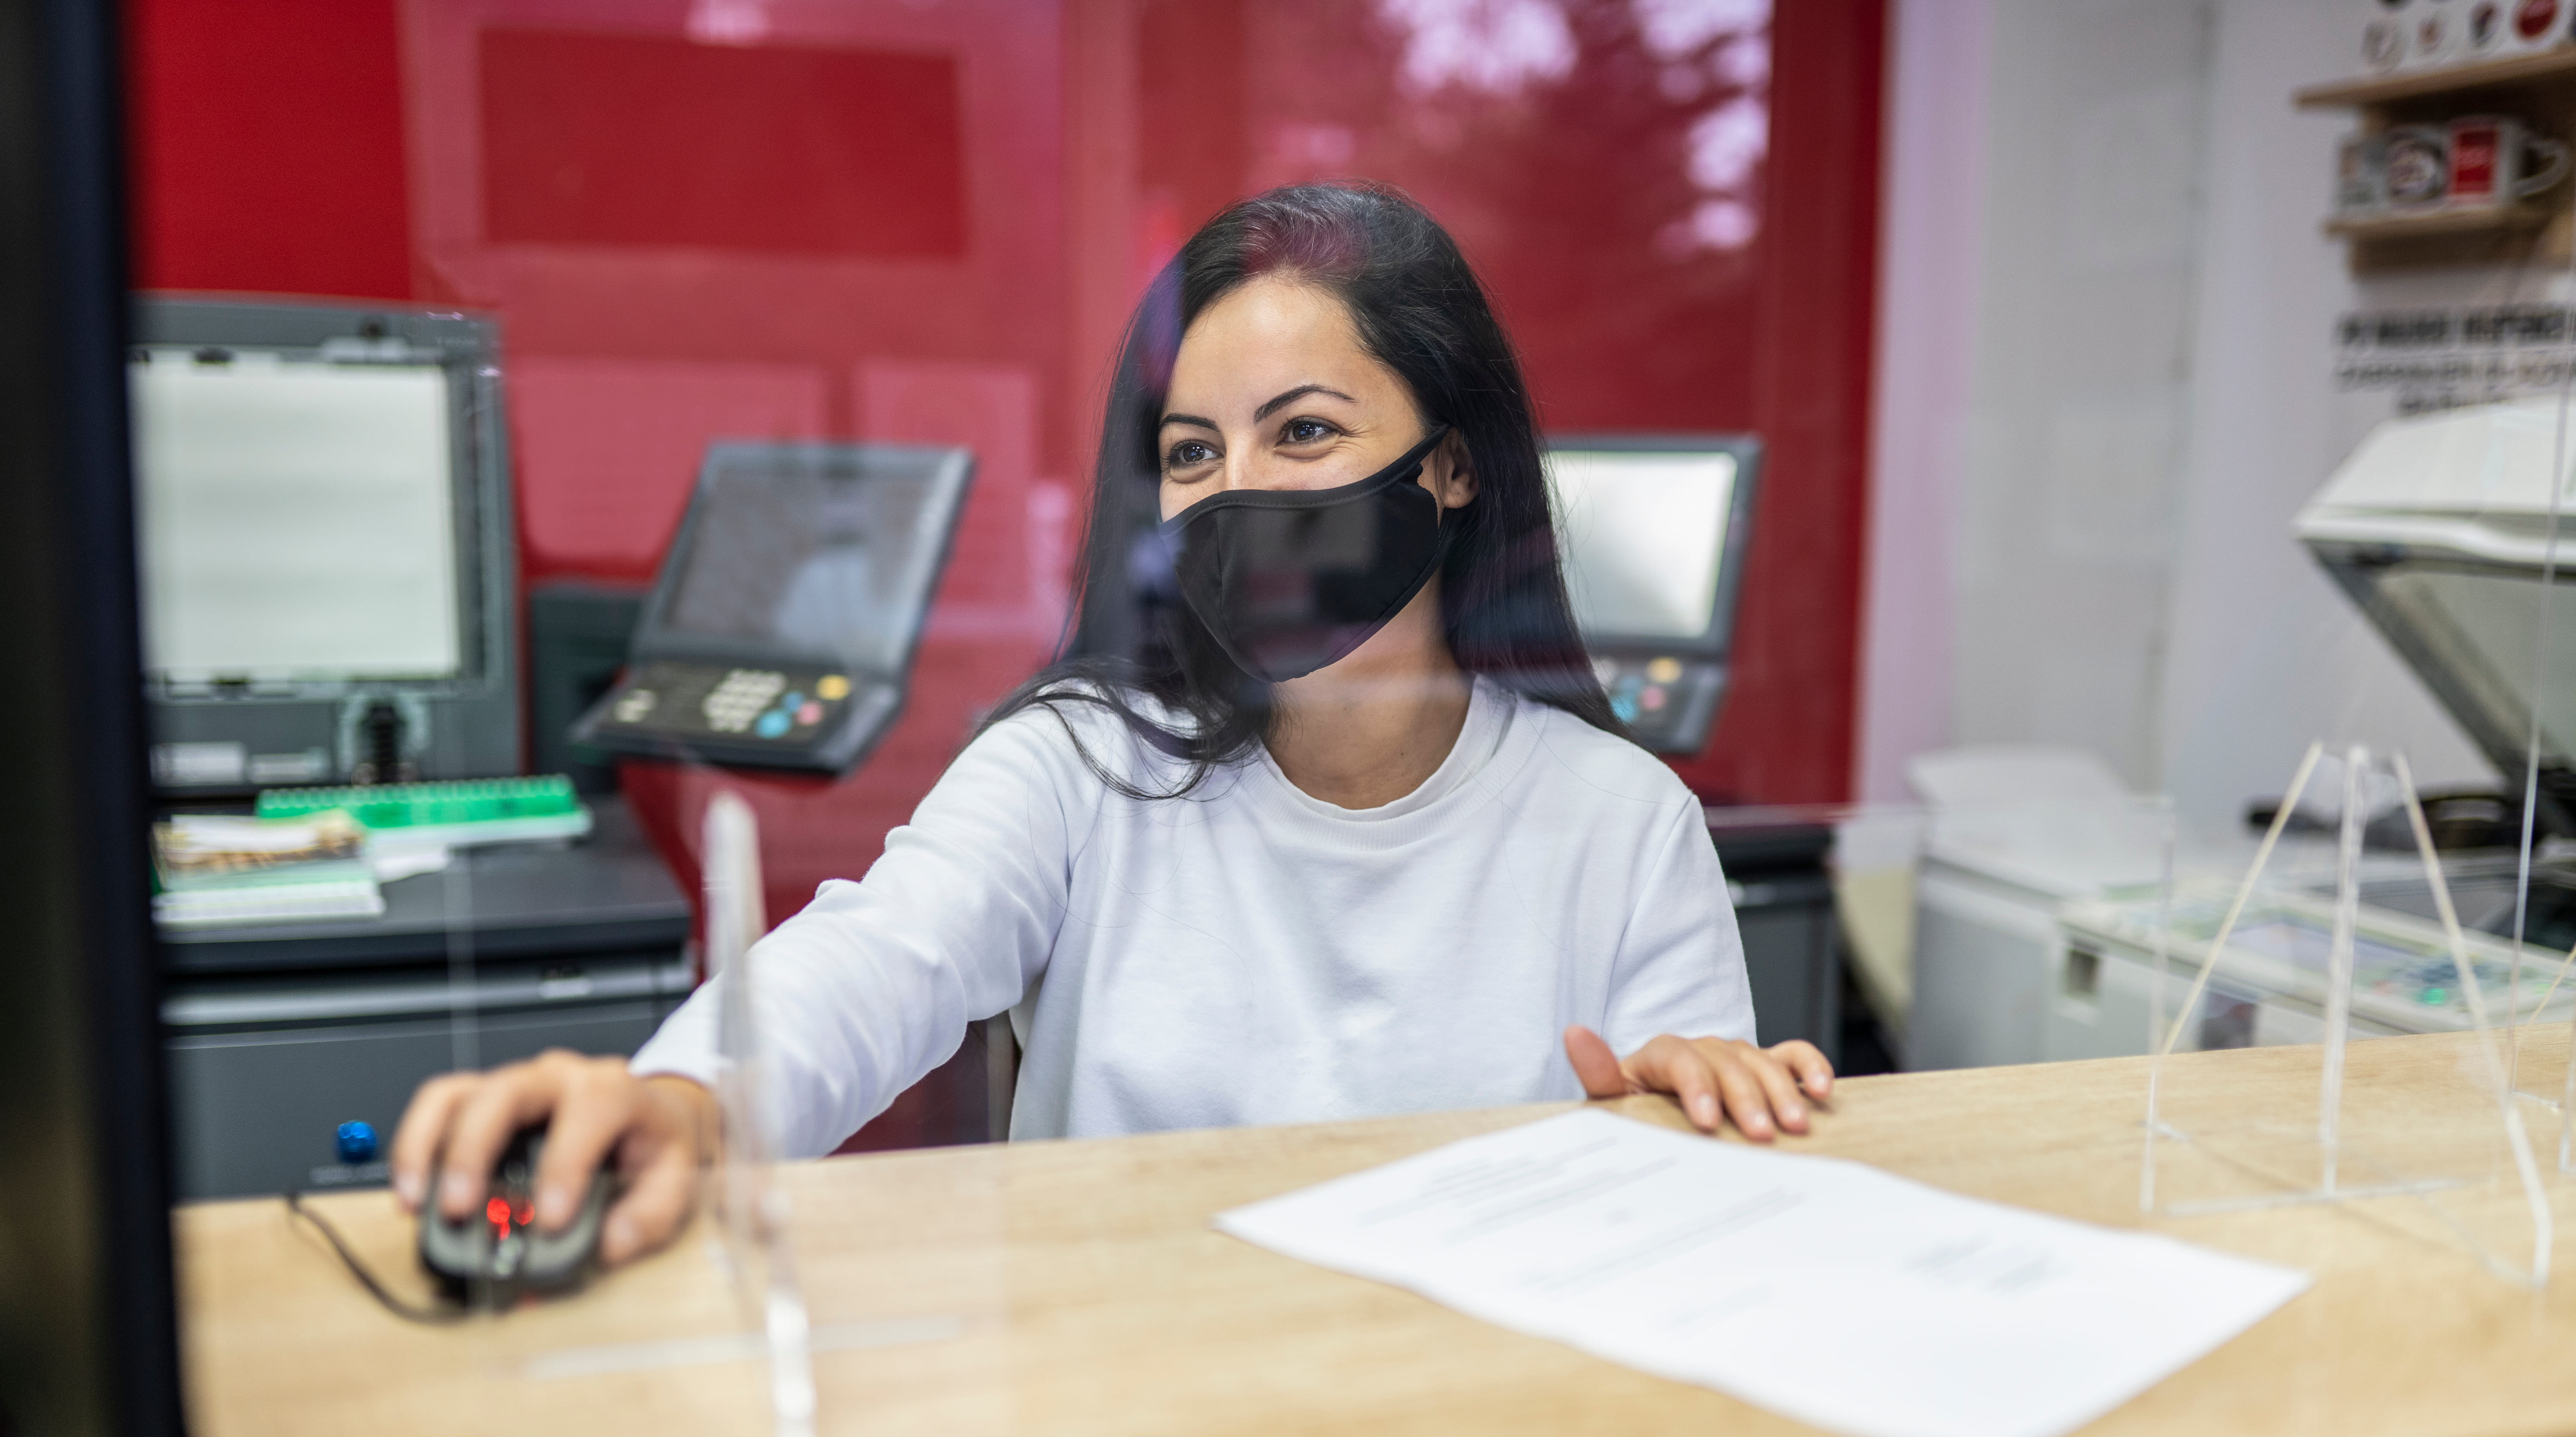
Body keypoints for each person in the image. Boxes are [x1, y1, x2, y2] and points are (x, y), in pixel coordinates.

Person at [391, 182, 1834, 1267]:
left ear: (1451, 466)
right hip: (1123, 1399)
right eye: (1192, 452)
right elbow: (878, 958)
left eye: (1305, 432)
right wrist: (687, 1101)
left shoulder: (1620, 821)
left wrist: (1696, 1109)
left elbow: (1685, 1162)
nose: (1237, 490)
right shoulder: (1081, 759)